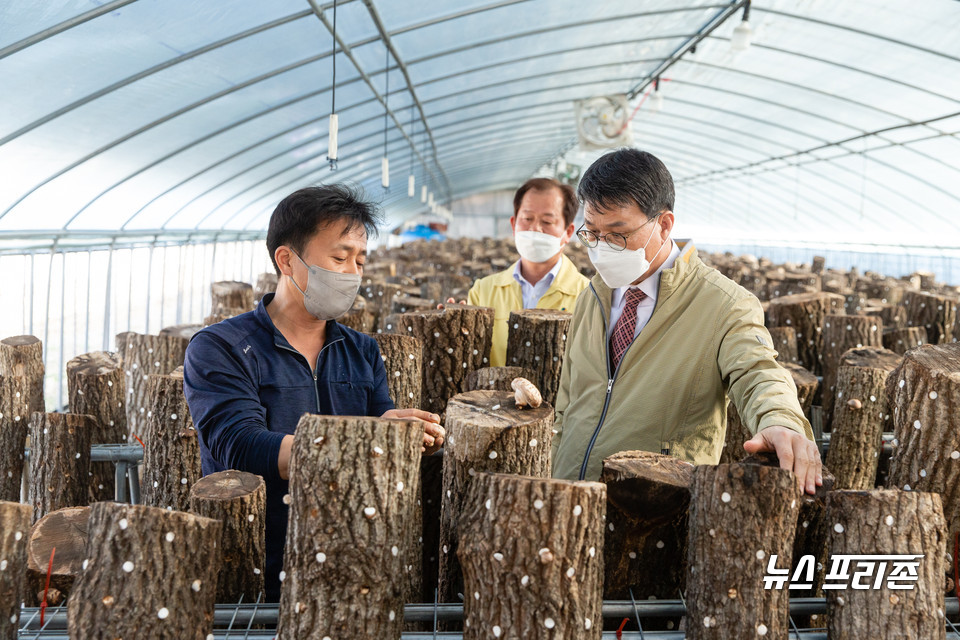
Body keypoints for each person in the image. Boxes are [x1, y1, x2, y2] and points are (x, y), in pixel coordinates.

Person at [183, 185, 445, 601]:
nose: (353, 272)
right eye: (339, 258)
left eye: (360, 260)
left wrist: (392, 432)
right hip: (257, 560)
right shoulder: (221, 347)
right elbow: (238, 443)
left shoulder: (361, 351)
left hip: (352, 554)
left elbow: (377, 423)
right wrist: (364, 444)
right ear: (286, 259)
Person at [550, 149, 822, 495]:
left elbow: (757, 372)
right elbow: (567, 405)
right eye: (592, 234)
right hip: (570, 498)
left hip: (654, 509)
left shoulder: (723, 304)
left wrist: (780, 420)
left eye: (618, 234)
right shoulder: (593, 296)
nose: (602, 248)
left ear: (663, 225)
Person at [466, 178, 589, 367]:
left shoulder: (588, 296)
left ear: (568, 231)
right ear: (514, 224)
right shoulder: (483, 291)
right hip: (494, 396)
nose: (535, 229)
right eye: (527, 218)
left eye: (547, 221)